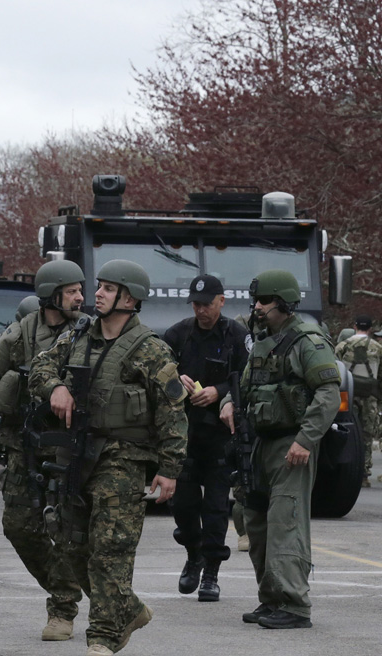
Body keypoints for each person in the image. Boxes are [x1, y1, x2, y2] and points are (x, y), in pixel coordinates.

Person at [28, 259, 186, 656]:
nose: (96, 293)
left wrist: (170, 469)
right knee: (72, 547)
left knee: (110, 551)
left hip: (123, 459)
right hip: (77, 454)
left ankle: (102, 638)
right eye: (98, 286)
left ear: (129, 299)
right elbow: (41, 365)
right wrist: (55, 388)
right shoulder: (78, 336)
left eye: (107, 288)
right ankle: (127, 609)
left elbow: (172, 413)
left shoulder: (151, 349)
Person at [0, 260, 87, 641]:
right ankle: (65, 588)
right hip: (23, 443)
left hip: (68, 445)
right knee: (18, 526)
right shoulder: (23, 331)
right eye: (72, 291)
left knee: (65, 530)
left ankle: (63, 608)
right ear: (51, 295)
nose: (80, 297)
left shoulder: (87, 332)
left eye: (81, 290)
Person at [221, 270, 339, 630]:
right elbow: (246, 387)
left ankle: (294, 604)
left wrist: (306, 439)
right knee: (254, 519)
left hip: (291, 443)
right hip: (260, 443)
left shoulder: (307, 341)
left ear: (284, 303)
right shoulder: (262, 342)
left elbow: (328, 394)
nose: (256, 307)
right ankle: (271, 597)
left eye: (264, 301)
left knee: (286, 522)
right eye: (255, 300)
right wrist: (228, 403)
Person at [161, 274, 250, 602]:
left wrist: (218, 392)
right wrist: (177, 384)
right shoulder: (177, 334)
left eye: (207, 304)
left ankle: (211, 571)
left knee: (215, 508)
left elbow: (248, 378)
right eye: (196, 304)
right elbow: (158, 375)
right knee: (183, 505)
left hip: (220, 437)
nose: (201, 310)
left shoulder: (236, 336)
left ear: (221, 302)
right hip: (184, 435)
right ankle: (193, 552)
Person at [334, 315, 380, 488]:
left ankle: (346, 467)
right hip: (370, 395)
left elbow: (335, 369)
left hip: (347, 394)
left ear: (354, 326)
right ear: (370, 329)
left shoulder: (343, 346)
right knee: (367, 434)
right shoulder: (378, 347)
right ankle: (364, 473)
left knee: (346, 429)